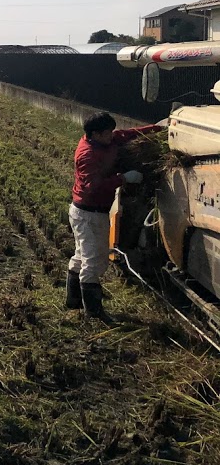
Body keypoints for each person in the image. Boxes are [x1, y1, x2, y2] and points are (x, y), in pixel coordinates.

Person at [67, 112, 161, 320]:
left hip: (89, 212)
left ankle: (73, 300)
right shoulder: (87, 155)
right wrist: (123, 178)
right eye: (107, 133)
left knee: (81, 255)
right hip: (89, 214)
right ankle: (94, 313)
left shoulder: (105, 140)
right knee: (95, 262)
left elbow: (128, 134)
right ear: (95, 134)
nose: (112, 136)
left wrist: (159, 128)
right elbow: (93, 186)